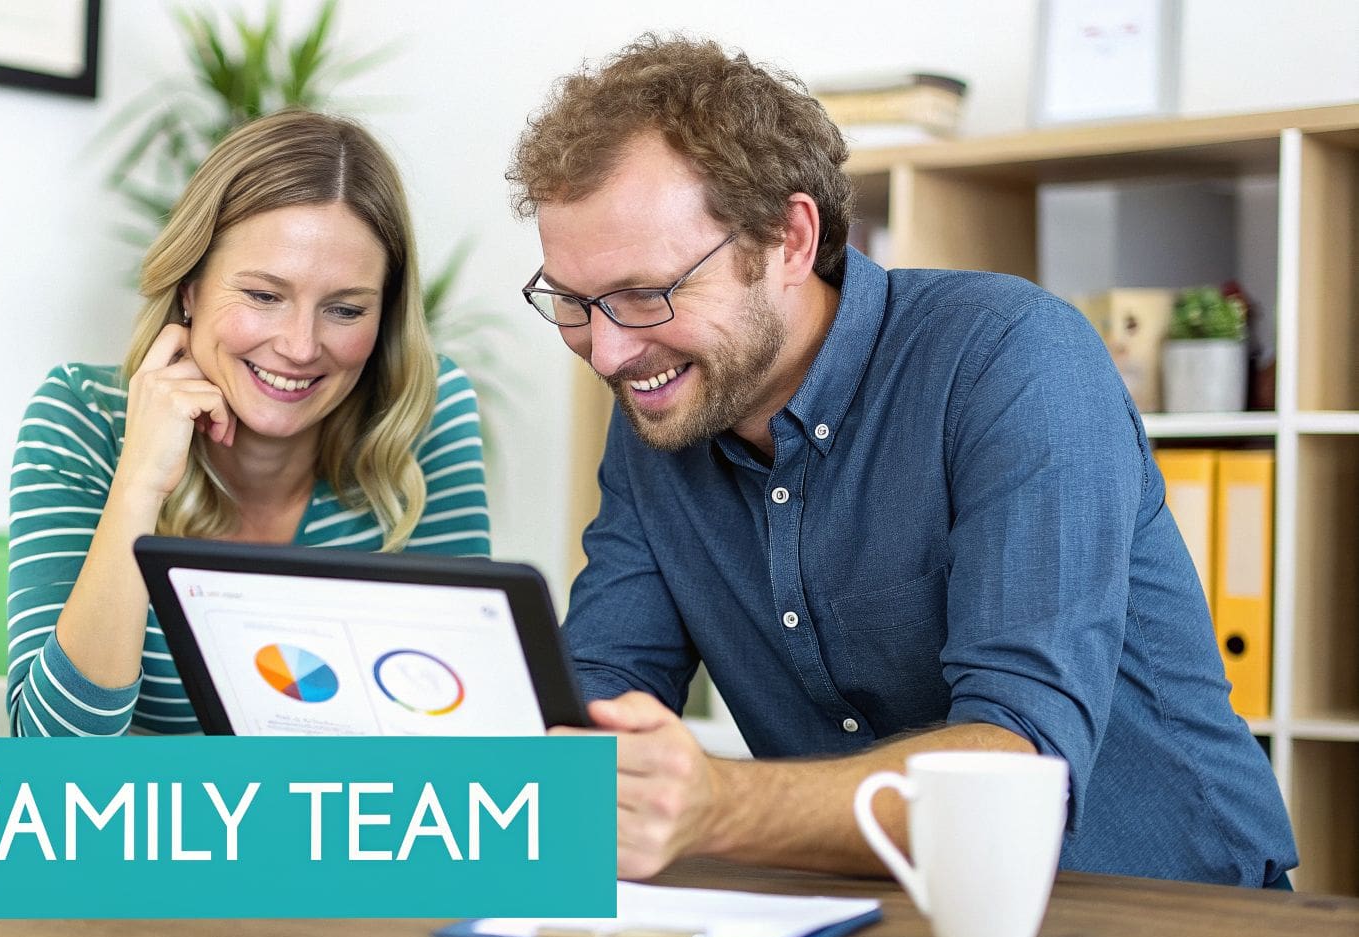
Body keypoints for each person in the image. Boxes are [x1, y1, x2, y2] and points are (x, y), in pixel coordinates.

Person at [510, 35, 1296, 887]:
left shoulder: (1010, 356)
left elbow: (1018, 764)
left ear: (789, 238)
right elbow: (600, 694)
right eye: (575, 304)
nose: (610, 352)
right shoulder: (665, 408)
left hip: (1158, 915)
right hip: (875, 920)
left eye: (645, 294)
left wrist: (718, 804)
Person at [7, 110, 490, 736]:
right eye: (263, 296)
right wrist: (140, 484)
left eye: (344, 310)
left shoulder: (422, 415)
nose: (299, 345)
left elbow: (460, 734)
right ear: (190, 286)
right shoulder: (84, 418)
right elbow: (53, 752)